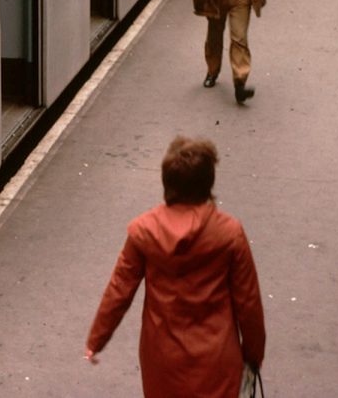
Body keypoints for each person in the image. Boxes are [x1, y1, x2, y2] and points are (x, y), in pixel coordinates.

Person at [85, 136, 266, 397]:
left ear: (166, 181)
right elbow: (248, 303)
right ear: (208, 182)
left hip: (162, 360)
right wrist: (253, 354)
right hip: (217, 358)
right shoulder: (229, 233)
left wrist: (96, 339)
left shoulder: (144, 231)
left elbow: (119, 290)